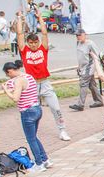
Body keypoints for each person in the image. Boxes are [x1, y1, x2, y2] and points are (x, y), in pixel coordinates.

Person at [16, 13, 69, 141]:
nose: (33, 45)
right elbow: (19, 35)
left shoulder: (43, 49)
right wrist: (19, 20)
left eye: (35, 42)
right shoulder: (24, 50)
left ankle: (62, 130)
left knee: (55, 107)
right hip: (31, 85)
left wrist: (40, 18)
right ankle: (32, 133)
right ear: (28, 43)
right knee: (32, 111)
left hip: (44, 83)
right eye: (31, 43)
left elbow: (45, 34)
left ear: (38, 42)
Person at [1, 60, 50, 171]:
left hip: (27, 112)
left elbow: (15, 98)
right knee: (34, 137)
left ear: (10, 71)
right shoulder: (28, 76)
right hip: (37, 108)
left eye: (7, 74)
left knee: (31, 139)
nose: (8, 77)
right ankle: (45, 160)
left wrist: (6, 90)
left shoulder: (19, 81)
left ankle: (39, 164)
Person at [69, 29, 104, 112]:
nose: (78, 37)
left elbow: (98, 55)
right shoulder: (78, 43)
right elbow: (80, 56)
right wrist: (79, 66)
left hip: (89, 66)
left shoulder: (90, 44)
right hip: (83, 67)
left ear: (84, 34)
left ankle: (80, 104)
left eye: (80, 35)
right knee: (92, 85)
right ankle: (99, 101)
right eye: (77, 35)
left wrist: (98, 66)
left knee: (83, 84)